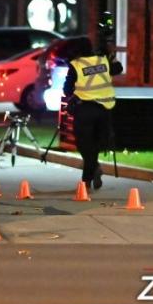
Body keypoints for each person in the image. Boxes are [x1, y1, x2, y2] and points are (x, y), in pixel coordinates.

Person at [62, 35, 122, 190]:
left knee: (85, 145)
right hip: (104, 109)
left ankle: (87, 179)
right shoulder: (102, 60)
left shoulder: (76, 65)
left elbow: (67, 89)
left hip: (84, 110)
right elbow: (119, 69)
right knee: (96, 144)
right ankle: (92, 172)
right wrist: (110, 56)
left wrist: (74, 94)